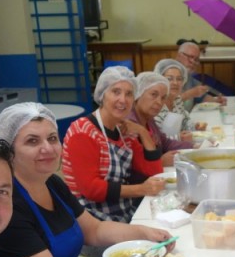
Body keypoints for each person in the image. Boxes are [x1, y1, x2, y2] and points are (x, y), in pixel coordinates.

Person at [0, 103, 174, 257]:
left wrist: (144, 232)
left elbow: (94, 230)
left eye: (52, 138)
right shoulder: (7, 205)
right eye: (32, 141)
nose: (48, 148)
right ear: (8, 150)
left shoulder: (52, 184)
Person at [62, 66, 165, 223]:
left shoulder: (124, 132)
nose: (123, 100)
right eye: (116, 91)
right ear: (103, 95)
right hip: (90, 219)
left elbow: (154, 172)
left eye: (129, 94)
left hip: (122, 210)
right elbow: (91, 189)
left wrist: (142, 132)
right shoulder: (82, 131)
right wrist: (141, 189)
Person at [129, 72, 194, 167]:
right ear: (138, 93)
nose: (159, 102)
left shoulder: (149, 119)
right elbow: (131, 167)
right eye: (153, 95)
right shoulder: (129, 124)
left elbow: (165, 143)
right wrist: (161, 162)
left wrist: (194, 147)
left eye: (163, 98)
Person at [153, 58, 197, 135]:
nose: (175, 83)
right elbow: (157, 138)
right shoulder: (155, 104)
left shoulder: (177, 100)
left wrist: (195, 127)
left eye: (179, 79)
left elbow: (185, 121)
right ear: (160, 80)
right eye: (169, 79)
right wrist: (180, 138)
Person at [176, 42, 223, 110]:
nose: (193, 62)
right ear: (179, 55)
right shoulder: (166, 73)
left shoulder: (188, 76)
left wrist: (216, 101)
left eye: (196, 59)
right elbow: (166, 104)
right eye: (190, 57)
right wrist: (189, 94)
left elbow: (202, 97)